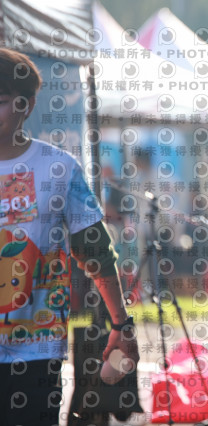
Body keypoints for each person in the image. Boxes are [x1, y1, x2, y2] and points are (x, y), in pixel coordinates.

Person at [0, 48, 139, 425]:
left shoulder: (58, 168)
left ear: (25, 105)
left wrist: (120, 324)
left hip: (36, 352)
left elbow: (96, 251)